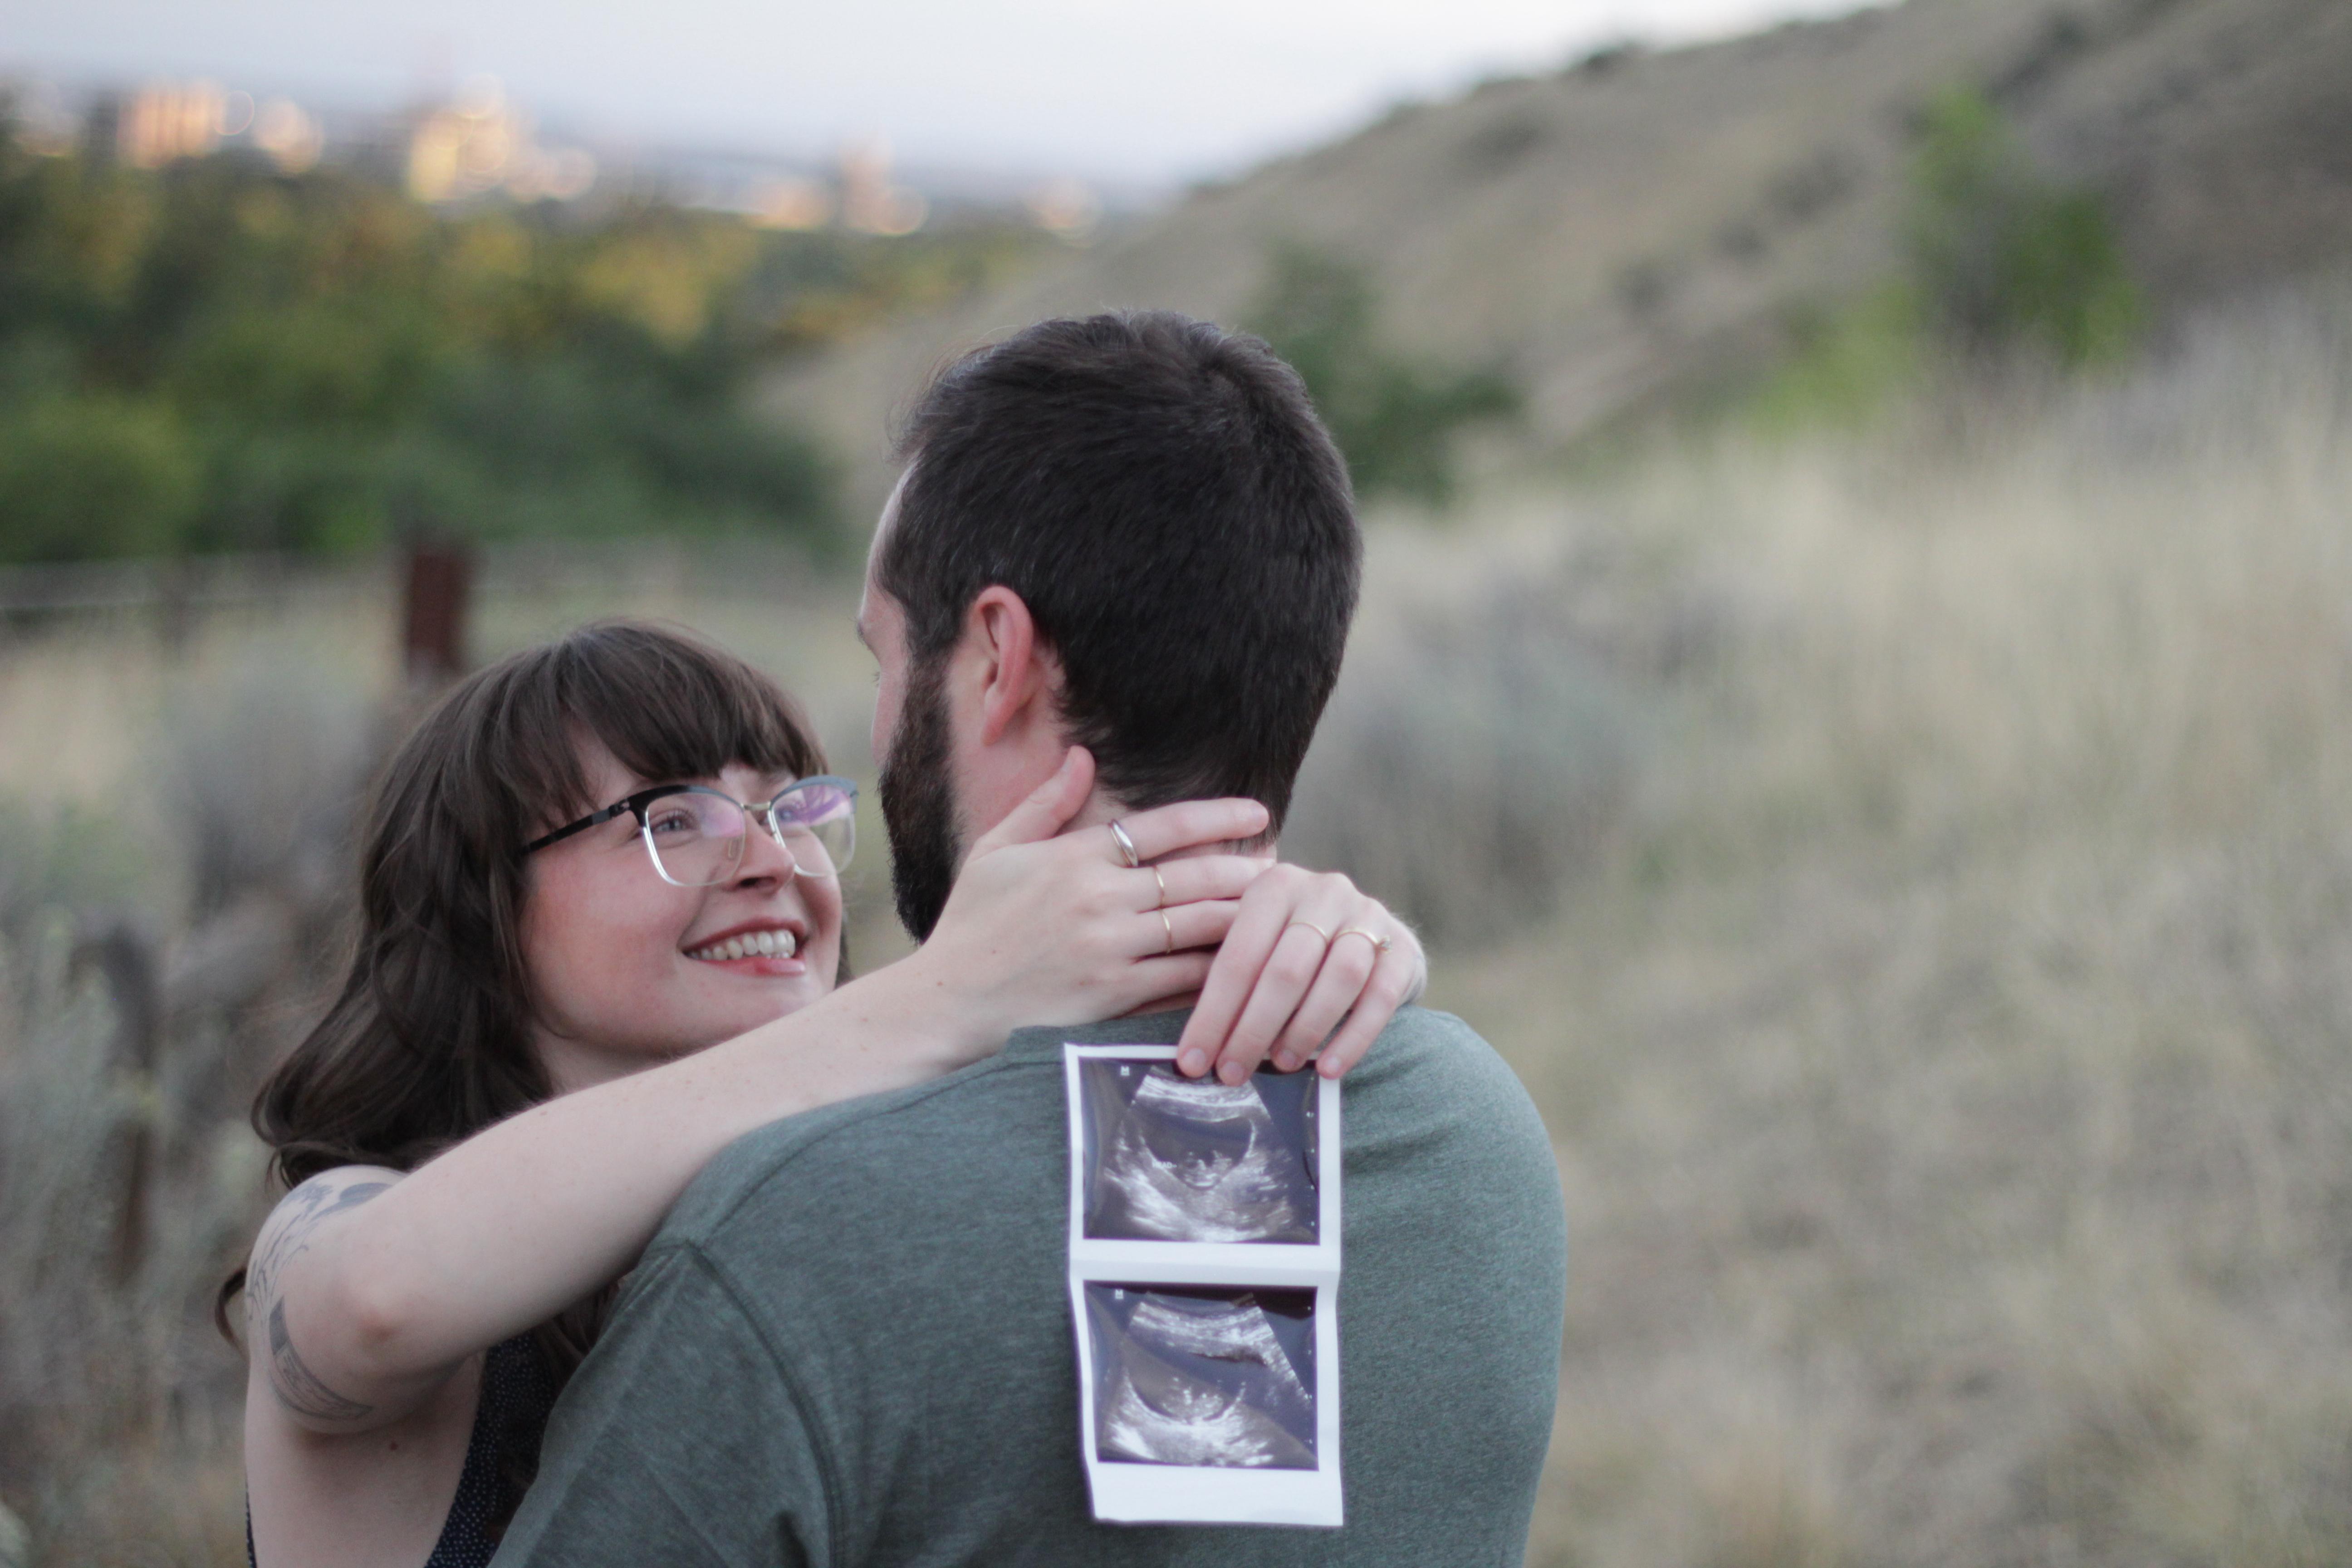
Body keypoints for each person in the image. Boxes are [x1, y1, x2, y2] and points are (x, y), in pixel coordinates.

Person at [494, 312, 1569, 1566]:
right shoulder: (1481, 1136)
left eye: (889, 652)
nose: (880, 715)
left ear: (998, 656)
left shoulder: (793, 1243)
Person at [235, 619, 1426, 1568]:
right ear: (478, 908)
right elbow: (376, 1301)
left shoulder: (838, 1200)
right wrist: (937, 998)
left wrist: (1298, 938)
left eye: (789, 805)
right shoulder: (342, 1225)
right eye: (670, 819)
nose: (770, 858)